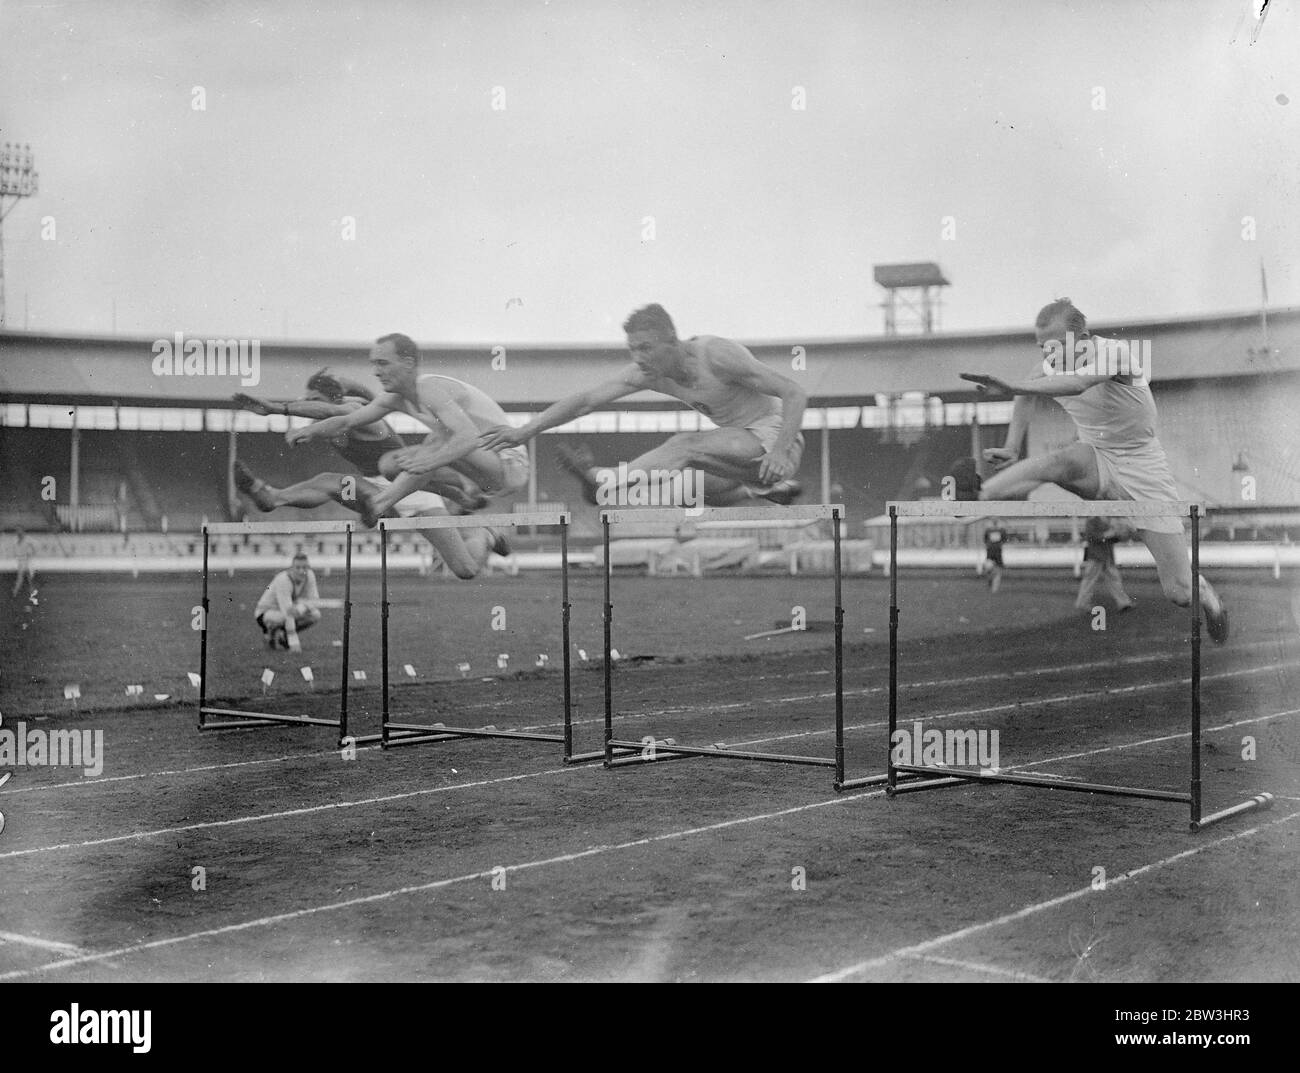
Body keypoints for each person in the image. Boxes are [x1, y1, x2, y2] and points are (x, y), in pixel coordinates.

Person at [959, 297, 1228, 642]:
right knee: (1060, 461)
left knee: (1178, 591)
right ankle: (978, 498)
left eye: (1055, 345)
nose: (1047, 355)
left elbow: (1077, 385)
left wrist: (1014, 386)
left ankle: (1208, 598)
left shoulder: (1114, 354)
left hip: (1143, 470)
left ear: (1082, 338)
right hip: (1097, 458)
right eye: (1042, 346)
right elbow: (1027, 397)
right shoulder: (1048, 366)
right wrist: (1012, 445)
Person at [479, 304, 806, 508]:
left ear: (672, 340)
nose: (639, 358)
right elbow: (586, 400)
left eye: (647, 348)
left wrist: (779, 452)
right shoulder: (648, 372)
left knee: (683, 447)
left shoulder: (716, 356)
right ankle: (760, 491)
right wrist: (526, 429)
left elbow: (794, 392)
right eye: (633, 349)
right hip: (740, 452)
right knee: (683, 492)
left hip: (776, 442)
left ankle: (606, 482)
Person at [284, 334, 525, 578]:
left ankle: (384, 501)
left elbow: (469, 437)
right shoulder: (394, 399)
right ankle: (479, 526)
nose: (376, 372)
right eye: (373, 364)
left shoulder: (429, 389)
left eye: (383, 363)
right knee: (390, 464)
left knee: (429, 448)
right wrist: (310, 429)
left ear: (408, 364)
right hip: (482, 472)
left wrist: (429, 460)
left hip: (508, 463)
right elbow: (347, 421)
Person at [255, 553, 321, 650]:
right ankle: (270, 634)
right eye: (297, 568)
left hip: (285, 611)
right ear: (291, 568)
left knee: (315, 615)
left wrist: (301, 608)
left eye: (304, 567)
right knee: (287, 617)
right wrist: (294, 644)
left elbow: (315, 600)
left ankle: (283, 636)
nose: (301, 571)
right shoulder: (283, 580)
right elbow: (288, 613)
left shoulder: (310, 575)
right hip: (265, 613)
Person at [1076, 515, 1136, 613]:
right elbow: (1091, 536)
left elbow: (1111, 538)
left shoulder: (1106, 519)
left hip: (1106, 555)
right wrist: (1107, 534)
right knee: (1091, 580)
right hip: (1096, 556)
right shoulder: (1093, 520)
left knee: (1113, 579)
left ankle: (1124, 603)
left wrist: (1120, 535)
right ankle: (1082, 603)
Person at [10, 528, 36, 599]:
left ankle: (17, 591)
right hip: (21, 560)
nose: (19, 533)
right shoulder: (16, 540)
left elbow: (33, 546)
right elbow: (15, 549)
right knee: (23, 577)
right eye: (18, 532)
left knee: (27, 576)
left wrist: (32, 553)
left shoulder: (27, 539)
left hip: (26, 560)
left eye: (20, 531)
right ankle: (16, 591)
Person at [982, 518, 1007, 593]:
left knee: (997, 569)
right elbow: (1004, 539)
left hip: (995, 552)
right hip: (992, 551)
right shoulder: (991, 530)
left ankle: (994, 588)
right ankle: (992, 584)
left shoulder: (999, 530)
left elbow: (1004, 539)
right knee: (990, 569)